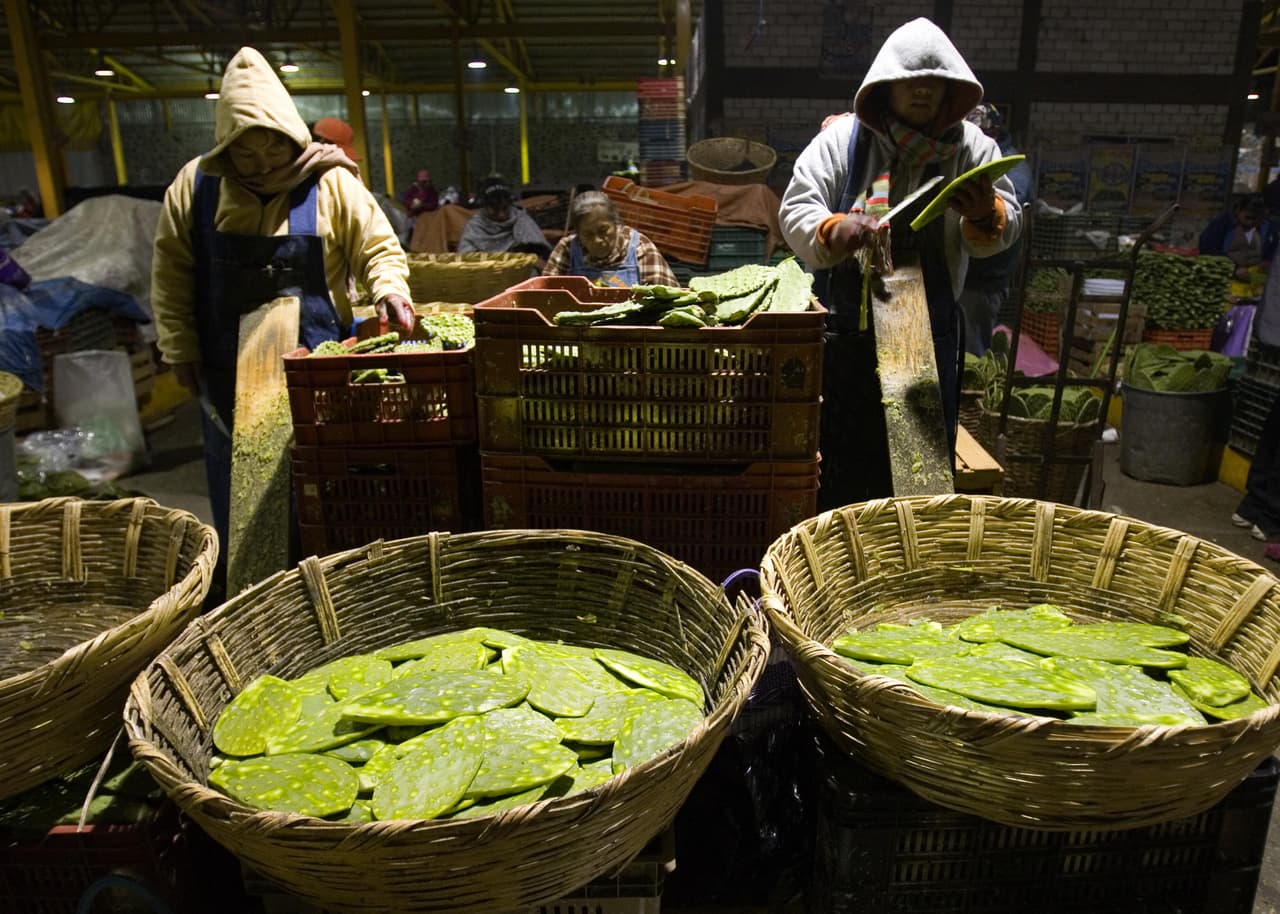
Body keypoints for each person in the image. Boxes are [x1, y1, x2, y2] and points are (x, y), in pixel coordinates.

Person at [151, 47, 414, 597]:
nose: (264, 163)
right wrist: (179, 348)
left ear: (291, 135)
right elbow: (171, 275)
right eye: (247, 155)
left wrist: (389, 289)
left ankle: (328, 588)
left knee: (322, 492)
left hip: (315, 374)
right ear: (227, 150)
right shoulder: (195, 188)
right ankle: (254, 596)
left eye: (274, 146)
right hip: (228, 377)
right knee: (240, 499)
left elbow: (378, 249)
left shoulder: (330, 184)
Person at [778, 17, 1022, 511]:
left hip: (924, 331)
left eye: (933, 83)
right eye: (911, 81)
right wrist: (838, 230)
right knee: (841, 468)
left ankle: (907, 568)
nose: (921, 92)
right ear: (885, 86)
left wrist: (984, 214)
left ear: (951, 90)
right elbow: (796, 206)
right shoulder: (842, 140)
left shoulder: (972, 149)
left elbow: (1008, 220)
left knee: (918, 475)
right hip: (846, 329)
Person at [956, 103, 1032, 355]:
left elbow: (1012, 215)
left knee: (971, 353)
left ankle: (972, 393)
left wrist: (984, 212)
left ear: (995, 133)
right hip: (964, 275)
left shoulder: (1012, 168)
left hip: (984, 278)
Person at [542, 191, 677, 287]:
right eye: (588, 234)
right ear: (578, 234)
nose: (597, 240)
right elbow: (547, 293)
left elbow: (663, 295)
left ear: (616, 225)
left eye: (603, 230)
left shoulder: (639, 247)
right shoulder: (568, 248)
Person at [457, 176, 551, 258]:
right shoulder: (474, 227)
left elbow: (540, 254)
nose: (501, 215)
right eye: (495, 209)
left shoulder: (521, 220)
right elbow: (466, 258)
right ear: (484, 207)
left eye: (505, 208)